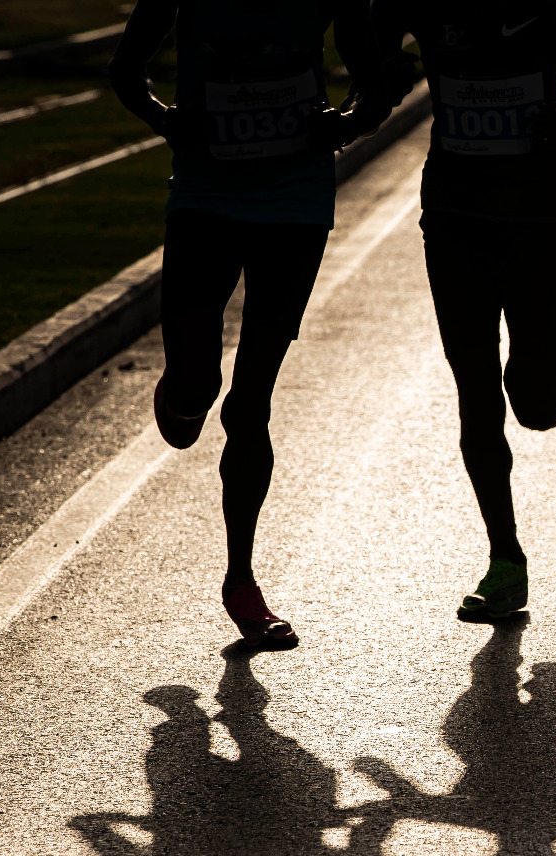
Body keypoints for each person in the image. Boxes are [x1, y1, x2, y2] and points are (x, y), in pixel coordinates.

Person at [111, 0, 407, 647]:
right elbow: (126, 70)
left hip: (295, 204)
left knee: (250, 406)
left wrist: (349, 122)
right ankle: (183, 387)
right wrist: (166, 120)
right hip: (205, 199)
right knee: (197, 388)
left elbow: (374, 81)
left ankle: (240, 579)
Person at [370, 0, 556, 622]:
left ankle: (531, 381)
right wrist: (384, 73)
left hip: (535, 213)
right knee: (476, 389)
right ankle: (504, 557)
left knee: (539, 406)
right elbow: (368, 47)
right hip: (453, 213)